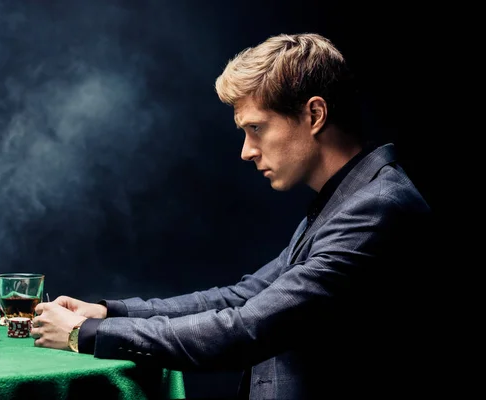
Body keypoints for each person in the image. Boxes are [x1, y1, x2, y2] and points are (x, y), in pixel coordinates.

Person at [30, 33, 435, 400]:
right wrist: (109, 312)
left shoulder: (379, 208)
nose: (246, 151)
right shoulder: (349, 198)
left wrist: (85, 335)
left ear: (315, 115)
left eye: (256, 128)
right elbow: (243, 296)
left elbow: (247, 327)